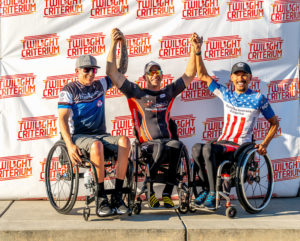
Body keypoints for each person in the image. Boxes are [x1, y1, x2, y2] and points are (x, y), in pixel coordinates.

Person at [106, 28, 201, 208]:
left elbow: (189, 75)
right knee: (159, 147)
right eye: (152, 72)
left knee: (177, 145)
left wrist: (194, 49)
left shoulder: (168, 92)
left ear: (162, 76)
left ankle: (166, 193)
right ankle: (149, 191)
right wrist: (114, 44)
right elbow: (112, 73)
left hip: (167, 142)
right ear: (145, 77)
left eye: (158, 72)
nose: (155, 75)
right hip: (146, 145)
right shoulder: (137, 92)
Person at [191, 45, 279, 209]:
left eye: (244, 75)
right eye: (237, 75)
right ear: (231, 78)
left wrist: (264, 144)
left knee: (208, 149)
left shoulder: (258, 98)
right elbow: (202, 75)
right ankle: (206, 189)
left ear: (250, 77)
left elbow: (274, 123)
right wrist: (197, 50)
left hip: (239, 147)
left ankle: (211, 192)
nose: (241, 78)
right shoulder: (226, 94)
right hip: (222, 143)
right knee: (197, 148)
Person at [58, 54, 131, 217]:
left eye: (93, 70)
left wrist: (116, 43)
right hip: (79, 136)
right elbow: (62, 118)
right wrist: (69, 145)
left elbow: (120, 71)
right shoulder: (69, 89)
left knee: (125, 141)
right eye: (87, 70)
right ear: (77, 71)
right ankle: (101, 198)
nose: (91, 73)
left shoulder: (100, 85)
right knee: (96, 146)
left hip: (100, 135)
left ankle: (117, 198)